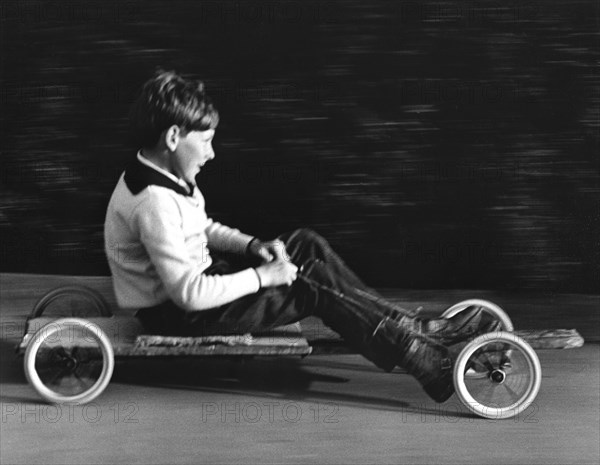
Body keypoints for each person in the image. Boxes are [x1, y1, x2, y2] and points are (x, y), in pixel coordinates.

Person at [104, 70, 501, 403]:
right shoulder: (152, 201)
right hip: (181, 316)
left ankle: (406, 327)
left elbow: (200, 227)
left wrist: (251, 246)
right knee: (311, 283)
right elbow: (188, 293)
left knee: (305, 242)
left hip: (204, 288)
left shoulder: (167, 180)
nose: (211, 153)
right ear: (174, 137)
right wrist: (264, 277)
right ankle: (420, 358)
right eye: (205, 142)